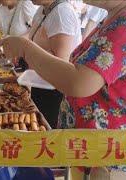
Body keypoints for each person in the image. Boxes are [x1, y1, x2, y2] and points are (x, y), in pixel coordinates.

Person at [0, 0, 126, 177]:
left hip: (109, 156)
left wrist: (26, 49)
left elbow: (79, 82)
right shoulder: (114, 18)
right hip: (88, 149)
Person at [19, 0, 82, 128]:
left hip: (54, 90)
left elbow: (61, 63)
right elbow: (33, 36)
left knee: (45, 130)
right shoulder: (43, 10)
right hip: (40, 81)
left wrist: (28, 53)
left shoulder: (62, 12)